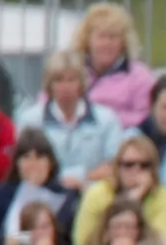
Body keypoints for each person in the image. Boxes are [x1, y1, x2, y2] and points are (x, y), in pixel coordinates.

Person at [16, 52, 124, 191]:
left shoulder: (107, 119)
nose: (65, 86)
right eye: (59, 80)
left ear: (81, 83)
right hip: (43, 191)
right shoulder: (30, 119)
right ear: (49, 84)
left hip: (91, 192)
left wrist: (83, 178)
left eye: (71, 80)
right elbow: (24, 164)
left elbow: (113, 165)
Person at [74, 135, 166, 245]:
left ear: (153, 169)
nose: (136, 170)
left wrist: (135, 203)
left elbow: (162, 244)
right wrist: (129, 203)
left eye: (144, 165)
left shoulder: (165, 197)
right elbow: (82, 243)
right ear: (118, 167)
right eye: (129, 164)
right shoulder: (98, 193)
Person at [0, 130, 77, 245]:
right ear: (17, 163)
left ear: (50, 162)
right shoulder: (3, 192)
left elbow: (64, 237)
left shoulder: (65, 195)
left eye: (39, 157)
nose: (33, 164)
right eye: (26, 157)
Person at [72, 4, 155, 128]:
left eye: (113, 37)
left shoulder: (139, 76)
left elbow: (147, 117)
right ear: (87, 40)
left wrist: (105, 118)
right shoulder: (71, 70)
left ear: (123, 42)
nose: (107, 43)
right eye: (101, 36)